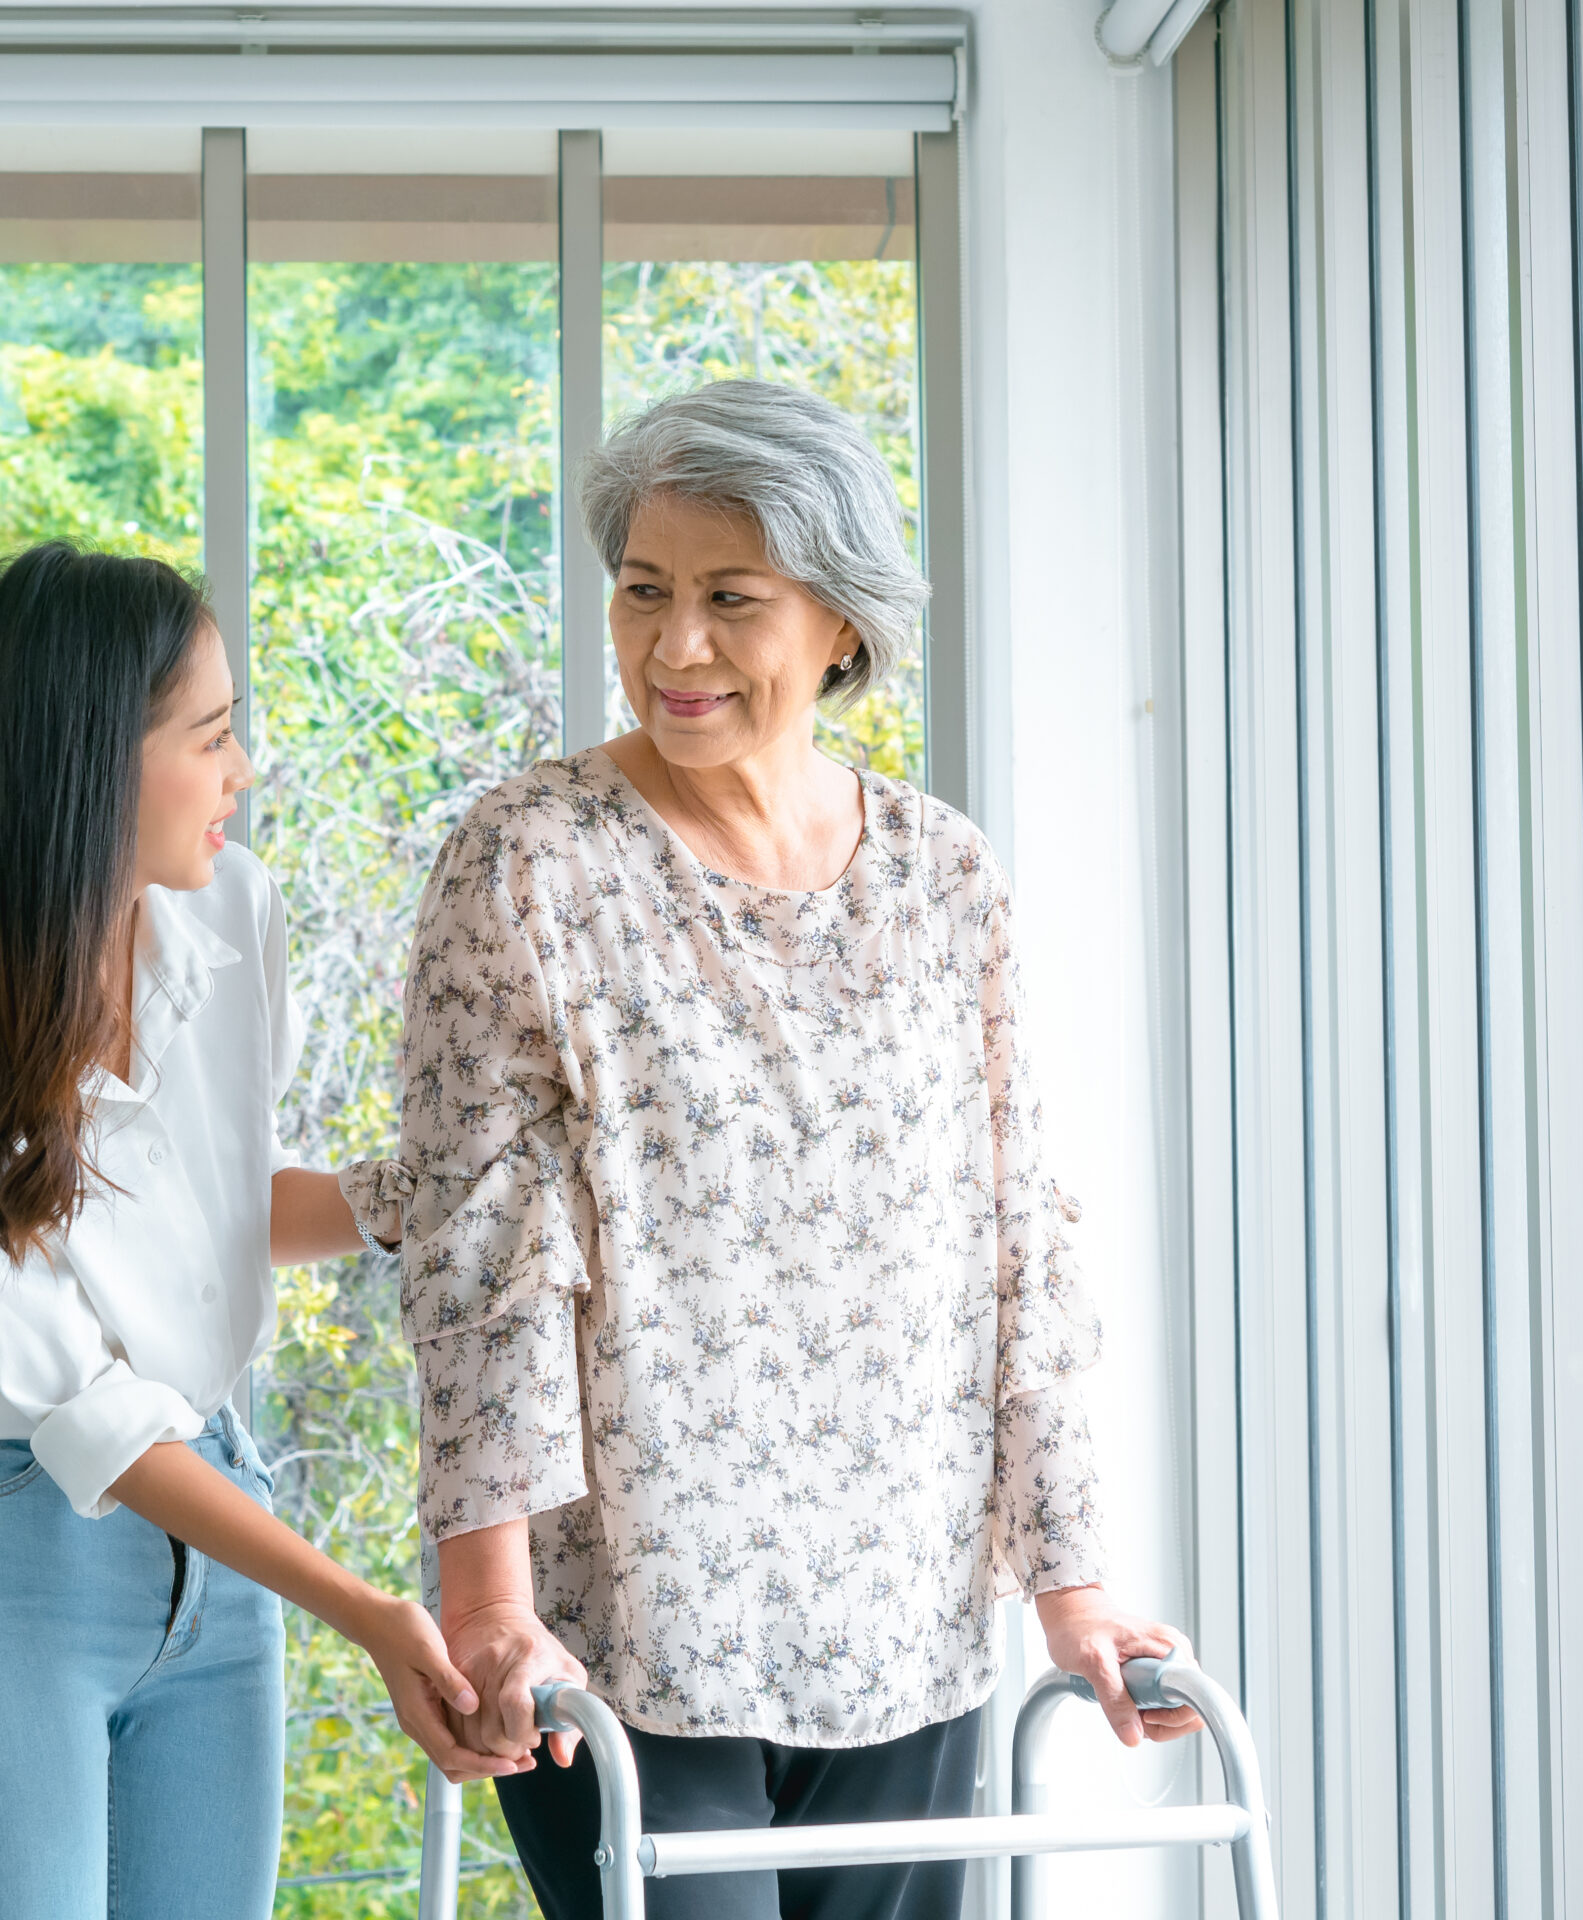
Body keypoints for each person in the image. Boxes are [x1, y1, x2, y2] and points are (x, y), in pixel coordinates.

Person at [345, 381, 1200, 1920]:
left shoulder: (943, 876)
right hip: (633, 1636)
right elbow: (484, 1257)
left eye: (731, 599)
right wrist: (489, 1606)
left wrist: (1072, 1588)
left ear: (841, 624)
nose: (676, 646)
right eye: (643, 591)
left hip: (907, 1622)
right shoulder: (529, 861)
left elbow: (1014, 1233)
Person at [0, 543, 508, 1920]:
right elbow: (94, 1416)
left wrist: (409, 1194)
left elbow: (214, 1214)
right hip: (1, 1554)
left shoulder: (231, 912)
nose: (246, 769)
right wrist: (369, 1613)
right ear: (88, 763)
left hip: (214, 1535)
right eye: (211, 735)